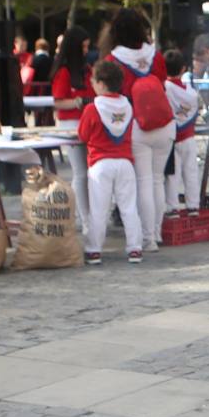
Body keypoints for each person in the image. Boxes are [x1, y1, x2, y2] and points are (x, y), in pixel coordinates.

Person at [104, 9, 172, 250]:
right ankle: (157, 232)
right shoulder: (157, 57)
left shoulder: (113, 61)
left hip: (137, 125)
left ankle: (148, 239)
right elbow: (163, 85)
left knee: (143, 181)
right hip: (165, 124)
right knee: (156, 180)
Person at [79, 58, 144, 264]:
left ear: (101, 83)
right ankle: (135, 248)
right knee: (129, 207)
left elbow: (82, 135)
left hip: (100, 163)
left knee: (99, 209)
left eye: (93, 80)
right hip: (125, 163)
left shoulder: (92, 108)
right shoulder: (127, 106)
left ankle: (94, 250)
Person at [51, 29, 94, 225]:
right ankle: (84, 217)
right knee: (80, 171)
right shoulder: (64, 72)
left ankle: (88, 215)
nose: (86, 50)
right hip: (71, 123)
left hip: (87, 121)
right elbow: (59, 102)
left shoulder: (87, 69)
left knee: (87, 171)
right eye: (83, 46)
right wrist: (79, 102)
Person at [162, 47, 203, 216]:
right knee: (191, 172)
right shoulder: (191, 93)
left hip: (172, 138)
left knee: (172, 174)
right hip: (188, 138)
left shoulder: (165, 88)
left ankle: (172, 208)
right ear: (183, 69)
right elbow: (196, 109)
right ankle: (193, 205)